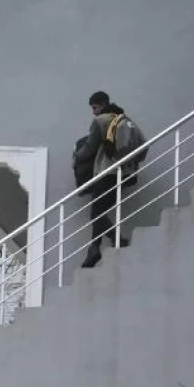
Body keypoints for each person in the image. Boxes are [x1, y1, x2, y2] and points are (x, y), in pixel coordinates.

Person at [74, 91, 135, 268]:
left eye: (95, 107)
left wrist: (76, 157)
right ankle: (94, 249)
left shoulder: (101, 121)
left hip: (107, 172)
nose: (94, 112)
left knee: (96, 213)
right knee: (100, 211)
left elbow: (89, 148)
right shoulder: (124, 120)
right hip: (123, 173)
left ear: (102, 104)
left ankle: (116, 240)